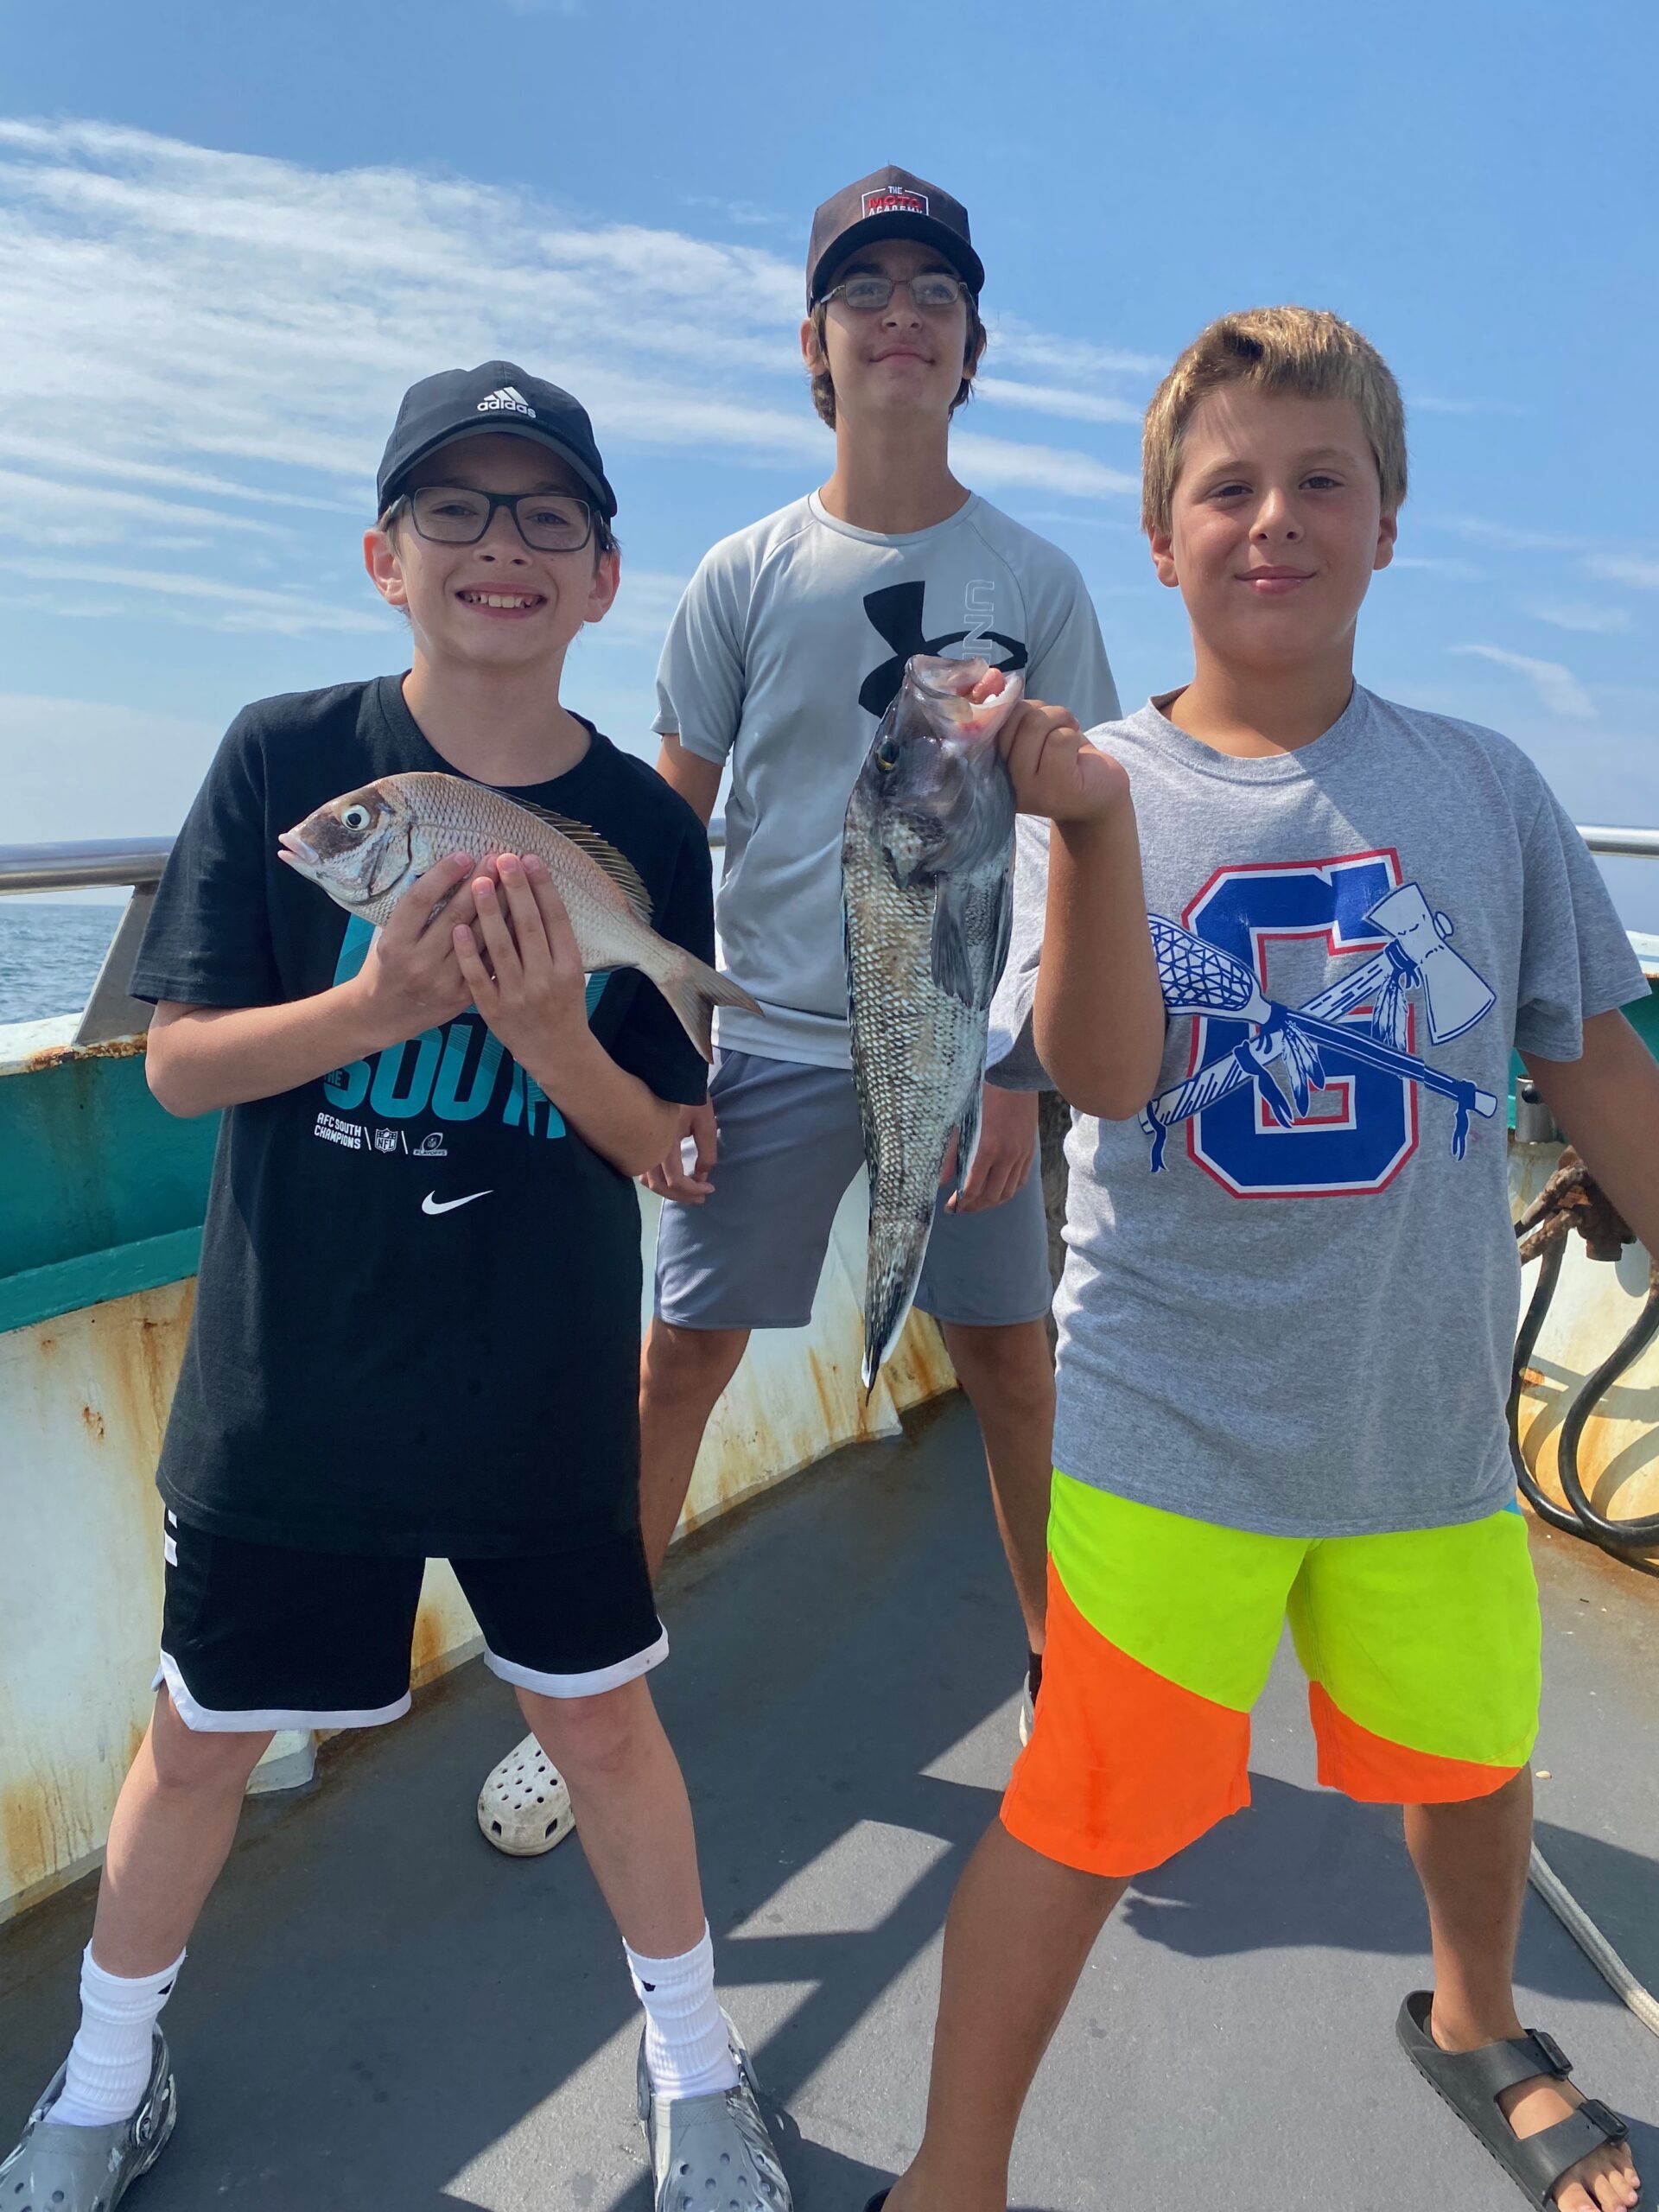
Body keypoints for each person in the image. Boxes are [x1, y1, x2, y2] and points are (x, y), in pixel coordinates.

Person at [870, 307, 1650, 2212]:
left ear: (1392, 521)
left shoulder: (1488, 785)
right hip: (1170, 1429)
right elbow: (1107, 1074)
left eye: (1324, 480)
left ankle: (1479, 2018)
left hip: (1423, 1418)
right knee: (1080, 1811)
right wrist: (1102, 829)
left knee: (1472, 1765)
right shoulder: (1082, 782)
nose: (1274, 518)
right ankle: (954, 2174)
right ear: (1161, 537)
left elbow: (1594, 1052)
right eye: (1228, 486)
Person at [0, 362, 793, 2212]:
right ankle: (107, 2073)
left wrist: (542, 1022)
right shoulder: (292, 762)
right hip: (299, 1380)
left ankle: (697, 2070)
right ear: (384, 553)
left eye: (545, 517)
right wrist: (376, 1005)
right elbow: (183, 1065)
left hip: (536, 1380)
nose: (497, 547)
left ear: (605, 577)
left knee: (603, 1722)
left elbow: (666, 1147)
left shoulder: (645, 832)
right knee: (197, 1732)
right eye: (455, 509)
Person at [477, 165, 1119, 1849]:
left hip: (965, 1049)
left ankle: (1065, 1684)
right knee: (679, 1356)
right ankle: (586, 1691)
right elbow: (664, 826)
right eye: (865, 289)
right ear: (816, 345)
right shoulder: (746, 572)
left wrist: (1021, 1065)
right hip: (757, 1036)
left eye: (933, 288)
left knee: (1013, 1364)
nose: (900, 314)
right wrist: (657, 1043)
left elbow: (1079, 838)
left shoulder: (1038, 582)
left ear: (975, 341)